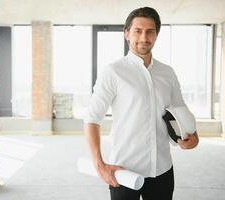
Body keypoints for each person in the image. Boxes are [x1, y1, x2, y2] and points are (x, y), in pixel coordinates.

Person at [84, 6, 199, 200]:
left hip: (162, 168)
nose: (144, 38)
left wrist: (194, 135)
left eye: (150, 31)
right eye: (138, 31)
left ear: (156, 35)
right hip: (124, 170)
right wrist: (100, 165)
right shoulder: (113, 71)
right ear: (127, 33)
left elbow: (180, 108)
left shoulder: (167, 72)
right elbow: (92, 118)